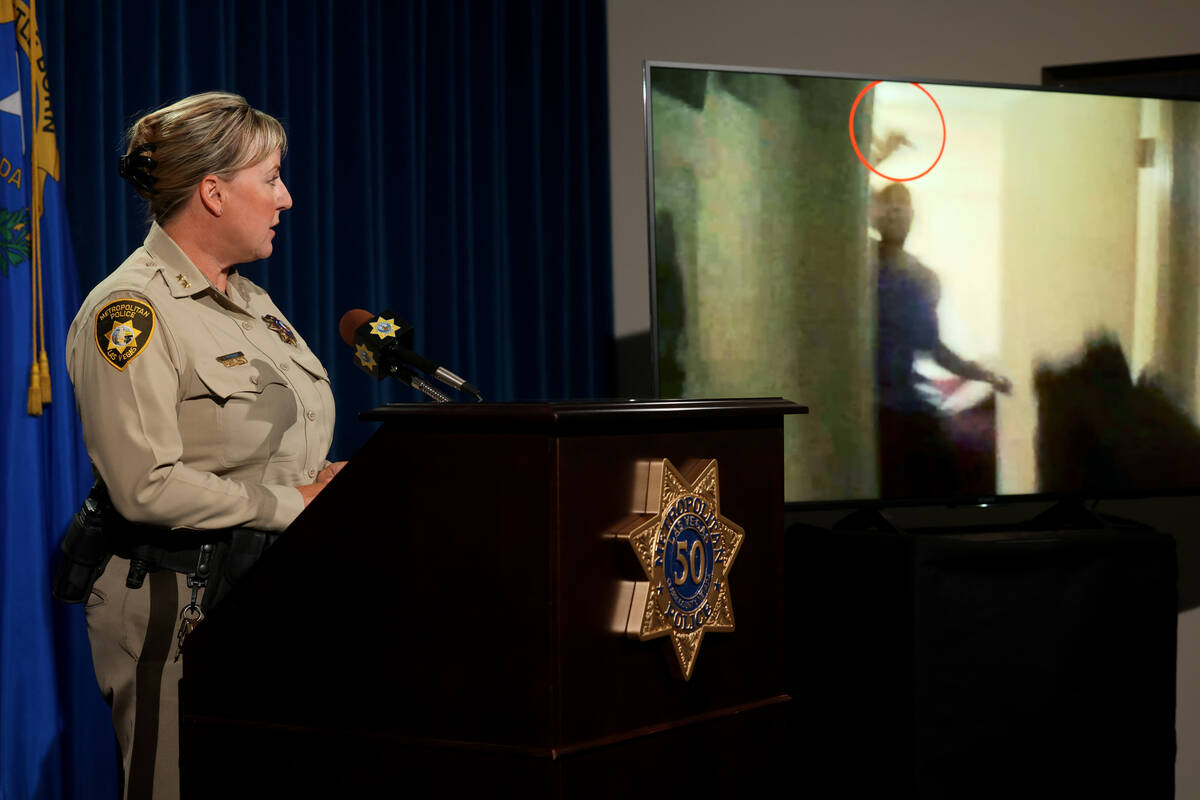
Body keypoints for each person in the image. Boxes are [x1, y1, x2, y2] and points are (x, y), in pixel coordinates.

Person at [65, 92, 344, 799]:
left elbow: (281, 444)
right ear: (214, 192)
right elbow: (144, 485)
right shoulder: (130, 310)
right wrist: (293, 502)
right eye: (271, 178)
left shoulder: (249, 301)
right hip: (174, 597)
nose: (285, 198)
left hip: (267, 590)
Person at [868, 180, 1011, 498]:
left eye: (903, 203)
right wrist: (877, 155)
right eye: (887, 202)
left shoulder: (924, 279)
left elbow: (936, 351)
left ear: (913, 215)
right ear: (872, 214)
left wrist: (985, 375)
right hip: (867, 407)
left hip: (908, 407)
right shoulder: (858, 263)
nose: (895, 208)